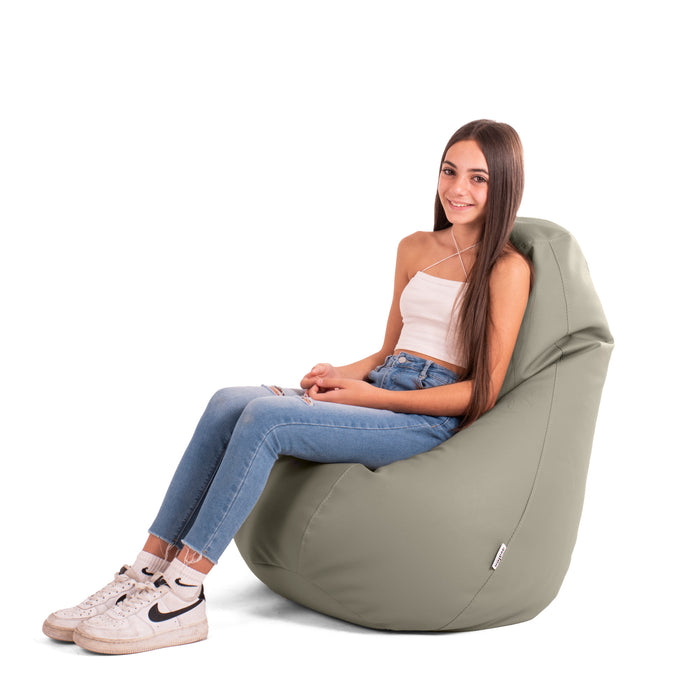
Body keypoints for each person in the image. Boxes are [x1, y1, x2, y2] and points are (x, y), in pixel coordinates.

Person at [43, 119, 534, 654]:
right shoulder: (415, 246)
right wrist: (342, 374)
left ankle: (182, 593)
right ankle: (145, 571)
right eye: (449, 171)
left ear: (504, 185)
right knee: (228, 401)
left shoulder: (507, 269)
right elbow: (388, 351)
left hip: (424, 419)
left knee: (267, 419)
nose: (457, 189)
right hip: (382, 385)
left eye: (478, 178)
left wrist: (372, 396)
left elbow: (481, 393)